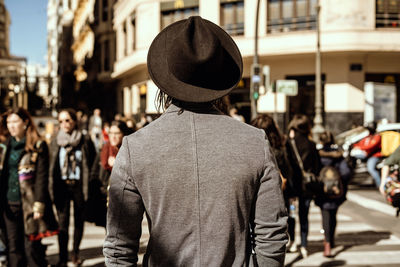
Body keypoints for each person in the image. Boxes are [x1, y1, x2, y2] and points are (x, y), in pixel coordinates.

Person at [103, 16, 288, 266]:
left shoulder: (136, 147)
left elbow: (119, 247)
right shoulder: (254, 142)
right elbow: (271, 238)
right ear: (220, 78)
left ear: (166, 78)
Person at [0, 108, 58, 267]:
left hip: (29, 204)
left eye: (15, 122)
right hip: (9, 203)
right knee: (13, 247)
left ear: (25, 122)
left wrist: (39, 204)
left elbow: (42, 177)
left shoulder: (38, 146)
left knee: (31, 246)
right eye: (8, 122)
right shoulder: (4, 146)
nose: (11, 126)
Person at [49, 108, 96, 267]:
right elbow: (51, 164)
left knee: (78, 221)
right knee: (62, 223)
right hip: (61, 184)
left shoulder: (84, 140)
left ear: (74, 121)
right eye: (61, 121)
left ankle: (75, 253)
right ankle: (62, 258)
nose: (64, 124)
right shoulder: (55, 141)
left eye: (67, 120)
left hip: (78, 185)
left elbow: (93, 162)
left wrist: (89, 181)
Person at [251, 114, 302, 253]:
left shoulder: (252, 145)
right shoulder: (283, 143)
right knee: (287, 215)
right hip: (284, 187)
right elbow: (293, 166)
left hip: (260, 189)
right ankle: (288, 240)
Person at [287, 114, 321, 258]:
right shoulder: (311, 144)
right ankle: (304, 244)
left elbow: (286, 166)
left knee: (291, 215)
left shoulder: (289, 143)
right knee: (304, 216)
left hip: (293, 186)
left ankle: (293, 241)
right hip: (307, 186)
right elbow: (317, 167)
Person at [87, 120, 131, 227]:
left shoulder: (129, 151)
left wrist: (118, 165)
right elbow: (94, 173)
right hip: (104, 197)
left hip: (124, 197)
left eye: (117, 133)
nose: (113, 136)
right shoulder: (103, 151)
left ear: (124, 134)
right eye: (111, 133)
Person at [316, 131, 351, 257]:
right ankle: (331, 239)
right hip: (336, 192)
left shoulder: (318, 156)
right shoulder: (338, 156)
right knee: (333, 215)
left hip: (322, 191)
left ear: (321, 141)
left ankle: (327, 243)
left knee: (325, 216)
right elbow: (346, 172)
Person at [352, 121, 381, 187]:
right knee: (352, 156)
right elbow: (361, 143)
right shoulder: (368, 136)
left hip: (374, 156)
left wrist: (360, 147)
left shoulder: (377, 136)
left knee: (371, 169)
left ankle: (380, 185)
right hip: (367, 155)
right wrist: (354, 146)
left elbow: (371, 146)